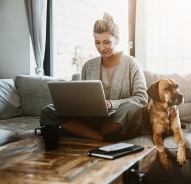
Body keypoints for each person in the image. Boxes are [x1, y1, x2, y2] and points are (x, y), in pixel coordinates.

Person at [40, 13, 148, 141]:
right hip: (90, 118)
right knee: (48, 110)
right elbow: (81, 95)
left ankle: (86, 133)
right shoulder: (88, 65)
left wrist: (111, 104)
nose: (101, 47)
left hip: (116, 118)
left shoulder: (131, 63)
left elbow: (141, 98)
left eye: (107, 42)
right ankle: (100, 137)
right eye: (97, 42)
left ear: (117, 40)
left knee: (133, 109)